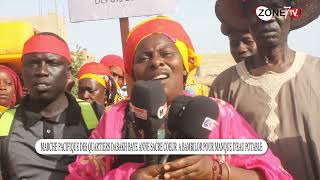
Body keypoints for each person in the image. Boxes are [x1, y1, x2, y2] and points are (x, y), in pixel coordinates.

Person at [67, 16, 292, 180]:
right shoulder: (115, 119)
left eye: (167, 54)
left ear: (185, 67)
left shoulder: (219, 114)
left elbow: (275, 175)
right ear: (133, 73)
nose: (156, 62)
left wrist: (216, 172)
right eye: (144, 57)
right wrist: (128, 176)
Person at [211, 0, 320, 179]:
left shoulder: (316, 72)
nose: (267, 18)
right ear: (247, 19)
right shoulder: (223, 86)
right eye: (258, 11)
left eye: (276, 9)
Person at [0, 32, 104, 179]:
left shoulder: (97, 116)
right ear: (22, 72)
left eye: (52, 63)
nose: (42, 71)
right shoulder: (4, 123)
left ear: (68, 73)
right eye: (33, 63)